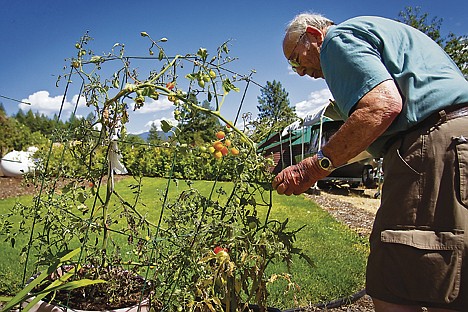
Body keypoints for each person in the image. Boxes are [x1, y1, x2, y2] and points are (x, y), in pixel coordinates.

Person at [273, 12, 468, 312]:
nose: (298, 71)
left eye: (295, 59)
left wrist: (312, 167)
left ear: (313, 35)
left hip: (431, 145)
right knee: (449, 270)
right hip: (454, 142)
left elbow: (382, 105)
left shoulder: (336, 41)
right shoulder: (378, 34)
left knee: (394, 284)